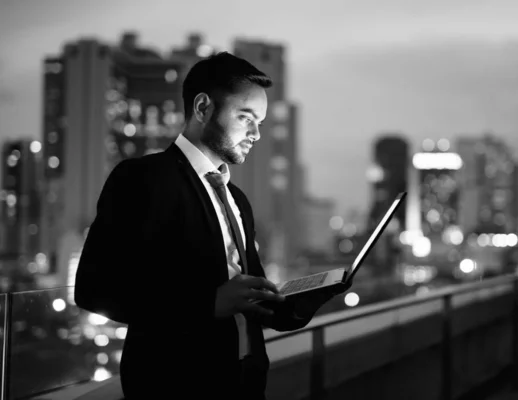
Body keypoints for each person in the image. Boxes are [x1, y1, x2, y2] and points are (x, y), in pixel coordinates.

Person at [74, 52, 349, 399]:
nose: (256, 134)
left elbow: (256, 304)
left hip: (245, 382)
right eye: (246, 118)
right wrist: (209, 303)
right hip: (174, 385)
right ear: (203, 108)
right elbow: (93, 289)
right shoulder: (143, 179)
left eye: (260, 123)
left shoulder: (238, 200)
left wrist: (309, 298)